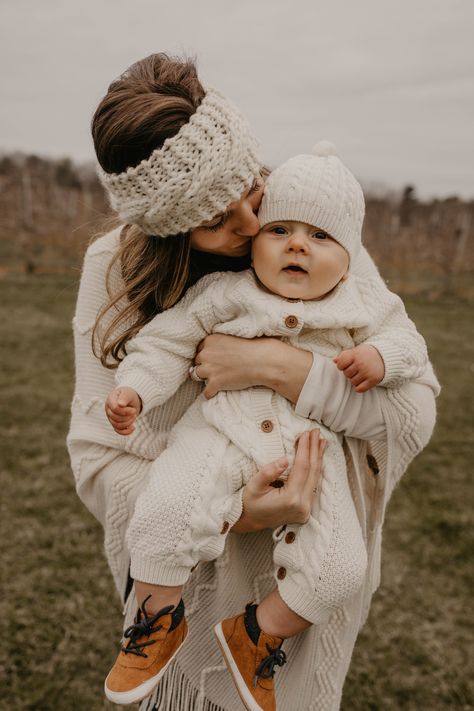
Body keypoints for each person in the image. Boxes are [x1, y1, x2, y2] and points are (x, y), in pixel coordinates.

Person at [67, 53, 439, 711]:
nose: (251, 227)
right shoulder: (112, 272)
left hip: (309, 572)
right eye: (216, 219)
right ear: (169, 234)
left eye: (252, 190)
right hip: (185, 570)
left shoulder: (313, 237)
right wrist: (233, 513)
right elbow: (98, 455)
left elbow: (409, 409)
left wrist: (277, 368)